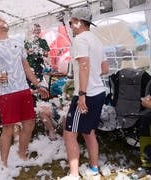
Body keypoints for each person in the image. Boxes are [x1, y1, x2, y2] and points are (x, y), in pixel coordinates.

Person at [0, 15, 49, 167]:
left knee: (29, 124)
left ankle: (21, 154)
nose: (3, 20)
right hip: (6, 93)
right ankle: (3, 164)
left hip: (23, 90)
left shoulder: (18, 42)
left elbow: (26, 67)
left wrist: (38, 84)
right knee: (8, 129)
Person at [61, 7, 109, 180]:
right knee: (89, 132)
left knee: (69, 134)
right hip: (99, 92)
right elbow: (105, 69)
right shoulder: (97, 40)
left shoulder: (80, 39)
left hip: (86, 94)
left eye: (72, 22)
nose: (71, 26)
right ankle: (94, 169)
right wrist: (92, 77)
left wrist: (81, 94)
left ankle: (73, 175)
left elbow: (84, 66)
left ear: (80, 22)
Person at [24, 23, 50, 88]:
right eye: (35, 30)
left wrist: (41, 51)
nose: (37, 31)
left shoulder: (43, 41)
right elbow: (23, 53)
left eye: (38, 30)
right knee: (30, 83)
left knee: (39, 83)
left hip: (39, 66)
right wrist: (28, 51)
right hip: (29, 66)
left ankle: (40, 95)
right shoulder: (27, 42)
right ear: (32, 30)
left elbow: (46, 54)